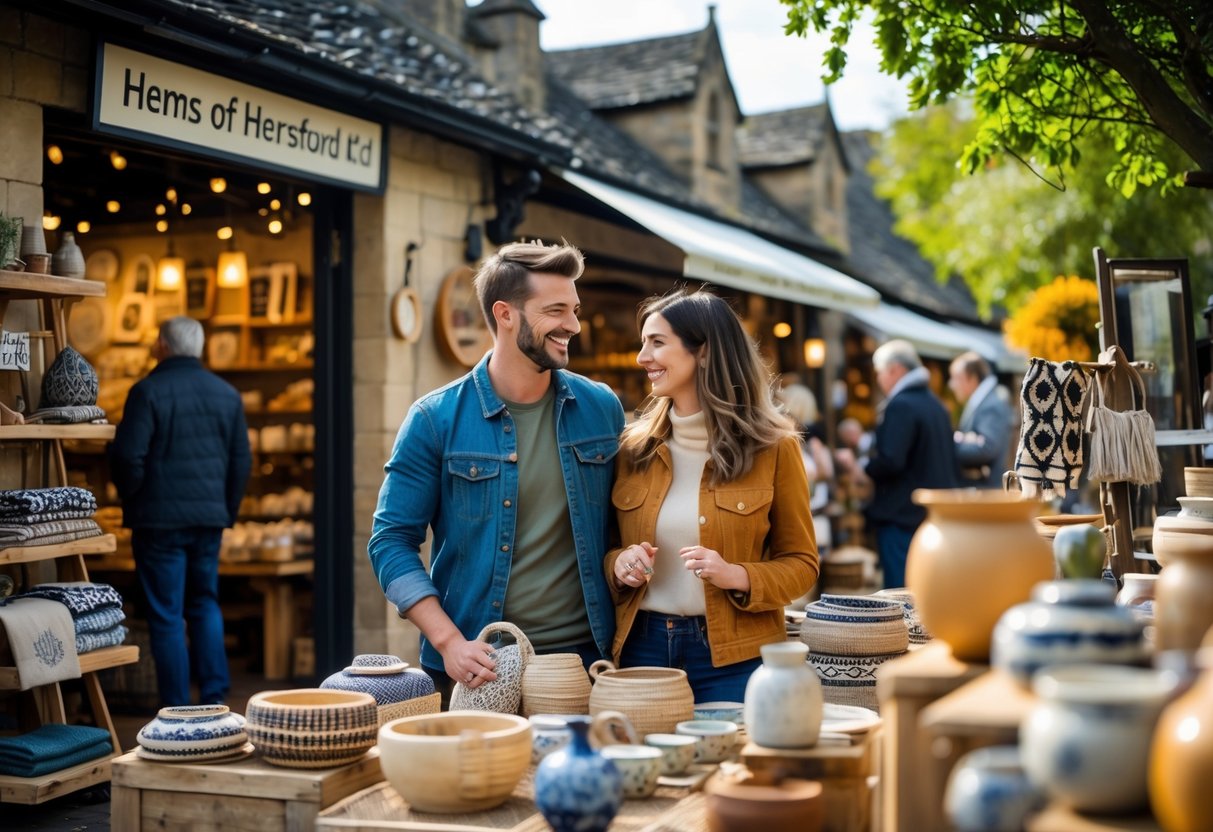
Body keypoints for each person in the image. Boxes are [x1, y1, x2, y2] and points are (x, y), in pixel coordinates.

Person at [368, 240, 625, 698]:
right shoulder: (435, 419)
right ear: (505, 314)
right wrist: (449, 643)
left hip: (585, 661)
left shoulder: (601, 408)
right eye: (556, 310)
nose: (573, 325)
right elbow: (391, 542)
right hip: (476, 662)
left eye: (575, 309)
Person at [606, 290, 819, 702]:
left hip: (737, 657)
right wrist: (620, 566)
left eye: (657, 342)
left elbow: (803, 565)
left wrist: (737, 576)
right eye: (643, 342)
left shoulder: (774, 447)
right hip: (642, 649)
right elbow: (605, 549)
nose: (641, 357)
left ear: (703, 352)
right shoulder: (633, 448)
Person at [109, 317, 251, 706]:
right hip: (209, 520)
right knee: (204, 603)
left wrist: (135, 497)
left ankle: (175, 707)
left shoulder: (146, 391)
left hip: (157, 522)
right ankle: (215, 698)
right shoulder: (227, 395)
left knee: (167, 613)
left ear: (162, 346)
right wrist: (226, 511)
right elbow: (242, 462)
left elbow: (126, 456)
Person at [837, 339, 956, 589]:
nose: (879, 379)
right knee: (929, 589)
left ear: (895, 370)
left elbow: (891, 460)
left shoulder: (901, 405)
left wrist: (863, 469)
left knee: (901, 596)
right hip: (932, 513)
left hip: (902, 514)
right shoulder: (936, 405)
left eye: (880, 372)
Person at [776, 383, 834, 552]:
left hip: (804, 516)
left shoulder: (795, 438)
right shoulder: (808, 438)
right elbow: (826, 471)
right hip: (808, 516)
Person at [948, 351, 1014, 489]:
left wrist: (949, 444)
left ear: (972, 378)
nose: (951, 385)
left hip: (985, 492)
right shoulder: (986, 401)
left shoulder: (990, 404)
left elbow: (986, 448)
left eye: (956, 378)